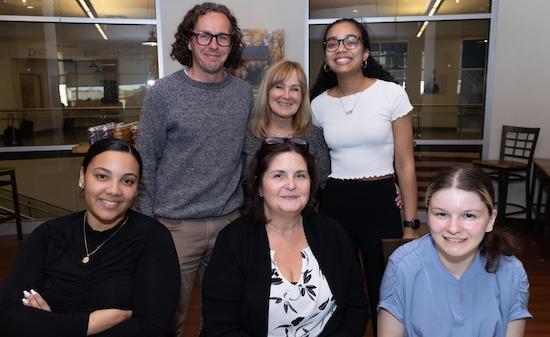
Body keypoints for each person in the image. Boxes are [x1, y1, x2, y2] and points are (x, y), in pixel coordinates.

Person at [136, 2, 252, 335]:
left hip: (229, 223)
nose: (213, 44)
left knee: (226, 314)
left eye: (222, 37)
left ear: (232, 45)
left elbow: (247, 156)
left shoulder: (243, 94)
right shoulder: (163, 95)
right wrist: (146, 225)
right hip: (174, 227)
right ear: (189, 40)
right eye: (205, 35)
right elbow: (146, 159)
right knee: (168, 313)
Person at [0, 138, 180, 337]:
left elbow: (151, 328)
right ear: (82, 177)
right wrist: (88, 324)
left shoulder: (153, 239)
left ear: (137, 190)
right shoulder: (48, 235)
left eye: (127, 181)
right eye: (102, 176)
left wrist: (47, 325)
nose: (114, 190)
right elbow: (7, 316)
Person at [309, 18, 418, 334]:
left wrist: (410, 225)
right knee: (338, 290)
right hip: (335, 203)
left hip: (381, 200)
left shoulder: (391, 94)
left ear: (366, 51)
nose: (341, 48)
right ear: (326, 54)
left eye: (350, 41)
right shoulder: (318, 105)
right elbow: (316, 164)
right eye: (332, 42)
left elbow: (405, 161)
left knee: (385, 291)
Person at [202, 138, 369, 337]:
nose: (291, 185)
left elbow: (356, 308)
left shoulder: (331, 233)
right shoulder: (233, 241)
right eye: (278, 176)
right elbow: (221, 328)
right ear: (259, 186)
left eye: (300, 176)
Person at [378, 165, 531, 337]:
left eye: (469, 215)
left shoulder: (512, 274)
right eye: (441, 214)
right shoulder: (402, 267)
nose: (453, 228)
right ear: (427, 214)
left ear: (490, 220)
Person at [243, 60, 330, 187]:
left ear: (302, 96)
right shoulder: (247, 135)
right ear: (267, 92)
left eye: (295, 89)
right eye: (279, 87)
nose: (286, 95)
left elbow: (322, 186)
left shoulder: (314, 136)